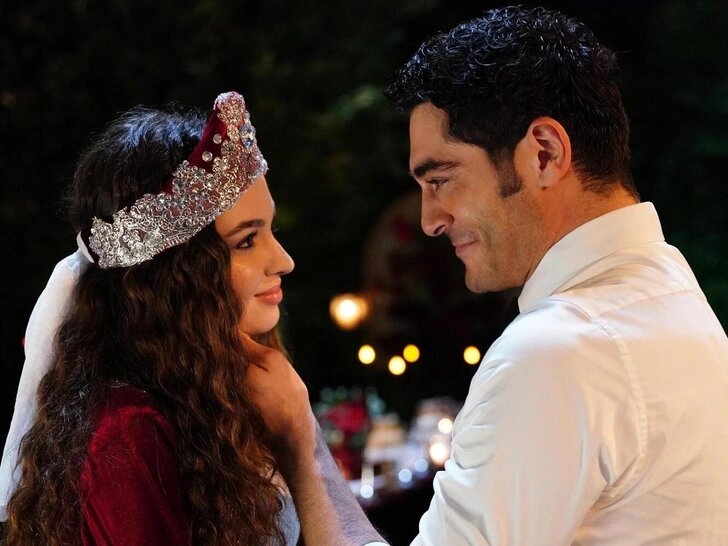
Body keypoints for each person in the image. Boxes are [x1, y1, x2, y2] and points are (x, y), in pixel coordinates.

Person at [244, 6, 728, 545]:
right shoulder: (673, 297)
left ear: (544, 153)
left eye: (441, 179)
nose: (429, 220)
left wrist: (304, 443)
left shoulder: (557, 353)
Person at [0, 91, 318, 545]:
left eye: (272, 230)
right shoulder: (129, 432)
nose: (284, 260)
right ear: (176, 275)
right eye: (246, 241)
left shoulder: (211, 396)